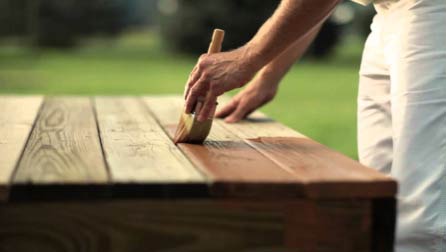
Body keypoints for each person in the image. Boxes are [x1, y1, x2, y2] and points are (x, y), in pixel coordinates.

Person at [183, 0, 446, 251]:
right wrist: (267, 77)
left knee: (422, 214)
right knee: (378, 200)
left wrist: (246, 59)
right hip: (388, 16)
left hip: (435, 17)